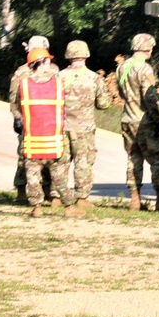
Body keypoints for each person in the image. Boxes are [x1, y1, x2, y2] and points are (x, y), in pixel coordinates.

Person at [16, 47, 74, 217]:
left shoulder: (24, 84)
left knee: (32, 174)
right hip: (53, 137)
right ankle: (69, 206)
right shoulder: (58, 83)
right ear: (43, 63)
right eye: (48, 61)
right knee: (59, 173)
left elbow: (17, 106)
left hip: (32, 137)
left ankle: (37, 207)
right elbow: (67, 106)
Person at [58, 40, 112, 215]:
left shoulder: (59, 77)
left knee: (61, 162)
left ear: (69, 55)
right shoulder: (94, 78)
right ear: (86, 55)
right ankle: (81, 198)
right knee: (83, 163)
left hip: (62, 126)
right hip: (84, 127)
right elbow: (103, 104)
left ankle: (57, 197)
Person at [116, 33, 159, 211]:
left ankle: (134, 199)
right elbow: (150, 98)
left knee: (133, 159)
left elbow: (122, 93)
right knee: (157, 160)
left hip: (127, 118)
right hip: (144, 121)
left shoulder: (122, 67)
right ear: (149, 49)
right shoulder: (144, 69)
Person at [9, 36, 60, 204]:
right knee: (51, 155)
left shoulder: (19, 72)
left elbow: (13, 99)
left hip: (28, 120)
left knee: (26, 156)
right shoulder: (53, 70)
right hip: (48, 121)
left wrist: (18, 118)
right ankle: (50, 193)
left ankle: (23, 191)